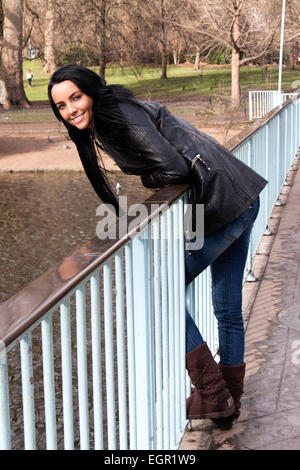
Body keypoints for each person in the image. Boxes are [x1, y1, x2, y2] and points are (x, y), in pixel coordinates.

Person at [48, 65, 267, 430]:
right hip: (235, 196)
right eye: (62, 106)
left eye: (76, 97)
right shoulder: (115, 112)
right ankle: (227, 402)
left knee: (158, 291)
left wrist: (150, 179)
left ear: (91, 92)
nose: (71, 110)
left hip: (220, 206)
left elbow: (174, 169)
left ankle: (212, 391)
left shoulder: (112, 114)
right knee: (227, 308)